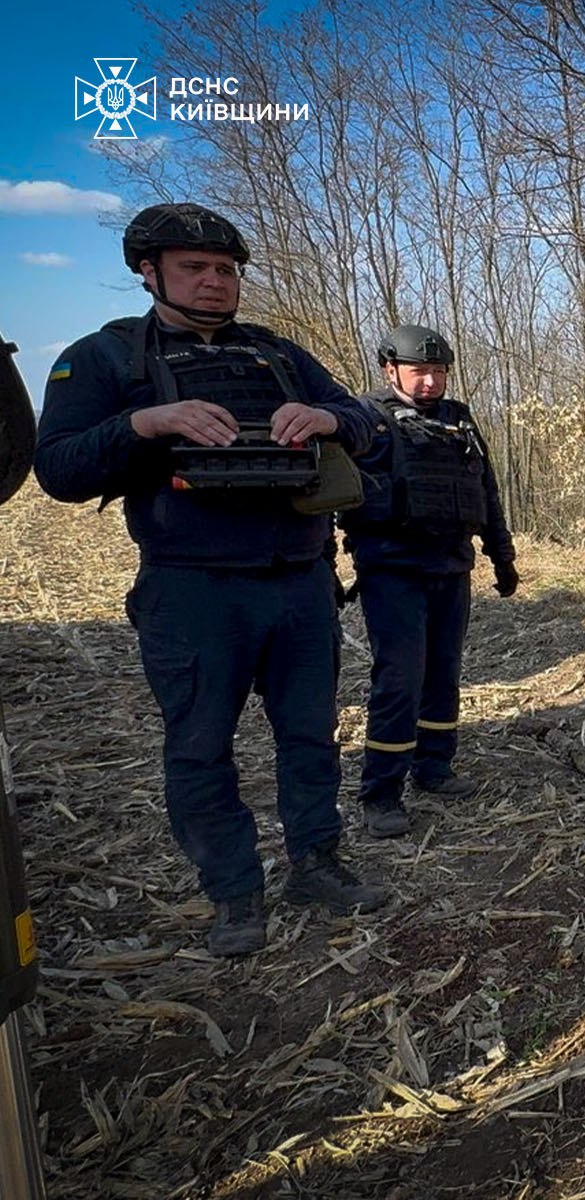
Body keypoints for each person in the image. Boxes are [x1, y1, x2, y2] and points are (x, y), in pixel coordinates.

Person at [34, 202, 389, 957]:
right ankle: (234, 892)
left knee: (310, 735)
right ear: (148, 271)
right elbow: (57, 469)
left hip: (299, 581)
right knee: (199, 748)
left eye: (226, 269)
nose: (214, 282)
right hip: (192, 590)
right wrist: (146, 424)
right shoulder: (105, 358)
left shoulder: (277, 353)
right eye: (194, 268)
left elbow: (366, 424)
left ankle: (317, 863)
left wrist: (325, 420)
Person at [337, 325, 517, 838]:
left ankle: (434, 767)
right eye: (420, 371)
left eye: (439, 371)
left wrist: (502, 557)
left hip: (451, 567)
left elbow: (486, 491)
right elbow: (328, 496)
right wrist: (322, 568)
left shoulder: (458, 420)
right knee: (400, 679)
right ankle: (381, 792)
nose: (431, 381)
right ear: (390, 369)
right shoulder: (365, 417)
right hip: (392, 570)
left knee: (443, 672)